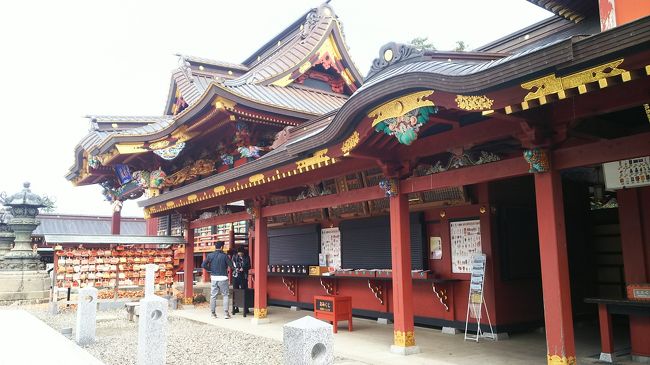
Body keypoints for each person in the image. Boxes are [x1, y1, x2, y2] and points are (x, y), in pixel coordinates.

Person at [201, 241, 234, 319]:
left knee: (213, 296)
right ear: (222, 247)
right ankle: (226, 313)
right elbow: (231, 266)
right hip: (223, 278)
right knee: (225, 295)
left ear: (215, 247)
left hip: (214, 278)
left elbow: (203, 265)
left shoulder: (210, 255)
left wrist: (210, 269)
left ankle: (213, 314)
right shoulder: (225, 256)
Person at [232, 247, 251, 314]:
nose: (240, 254)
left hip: (243, 276)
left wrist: (244, 268)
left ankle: (246, 308)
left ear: (243, 252)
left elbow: (249, 266)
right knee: (235, 291)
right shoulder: (234, 257)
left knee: (244, 291)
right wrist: (236, 269)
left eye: (241, 253)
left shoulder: (247, 257)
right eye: (239, 253)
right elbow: (232, 265)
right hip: (236, 276)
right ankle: (235, 307)